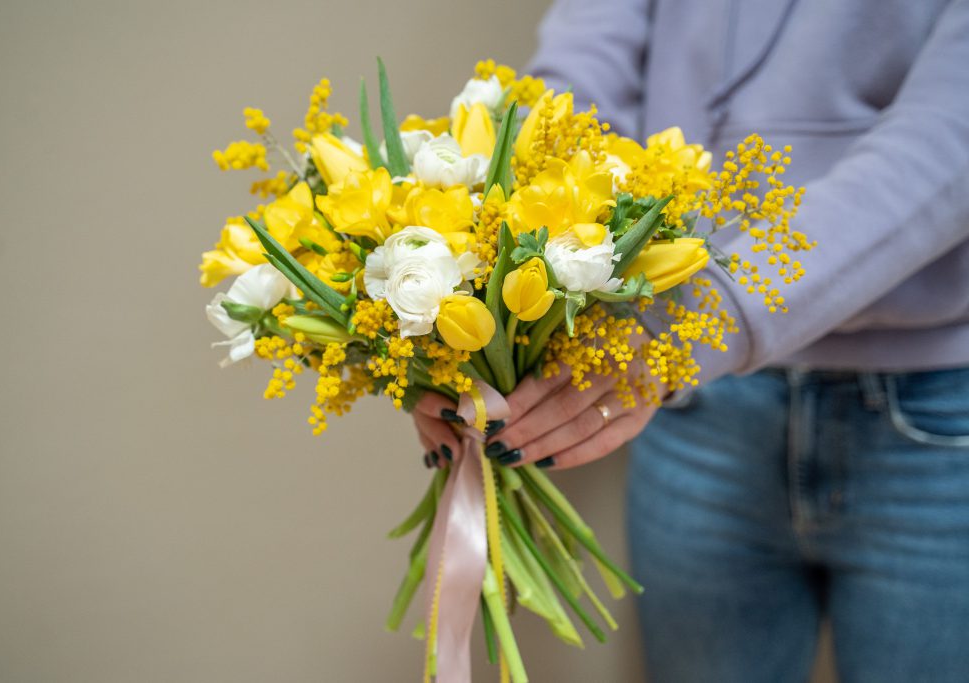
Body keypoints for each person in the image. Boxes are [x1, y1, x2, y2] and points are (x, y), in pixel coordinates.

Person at [412, 0, 969, 680]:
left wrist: (689, 321)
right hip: (697, 406)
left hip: (935, 412)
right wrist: (487, 289)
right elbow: (580, 77)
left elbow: (950, 138)